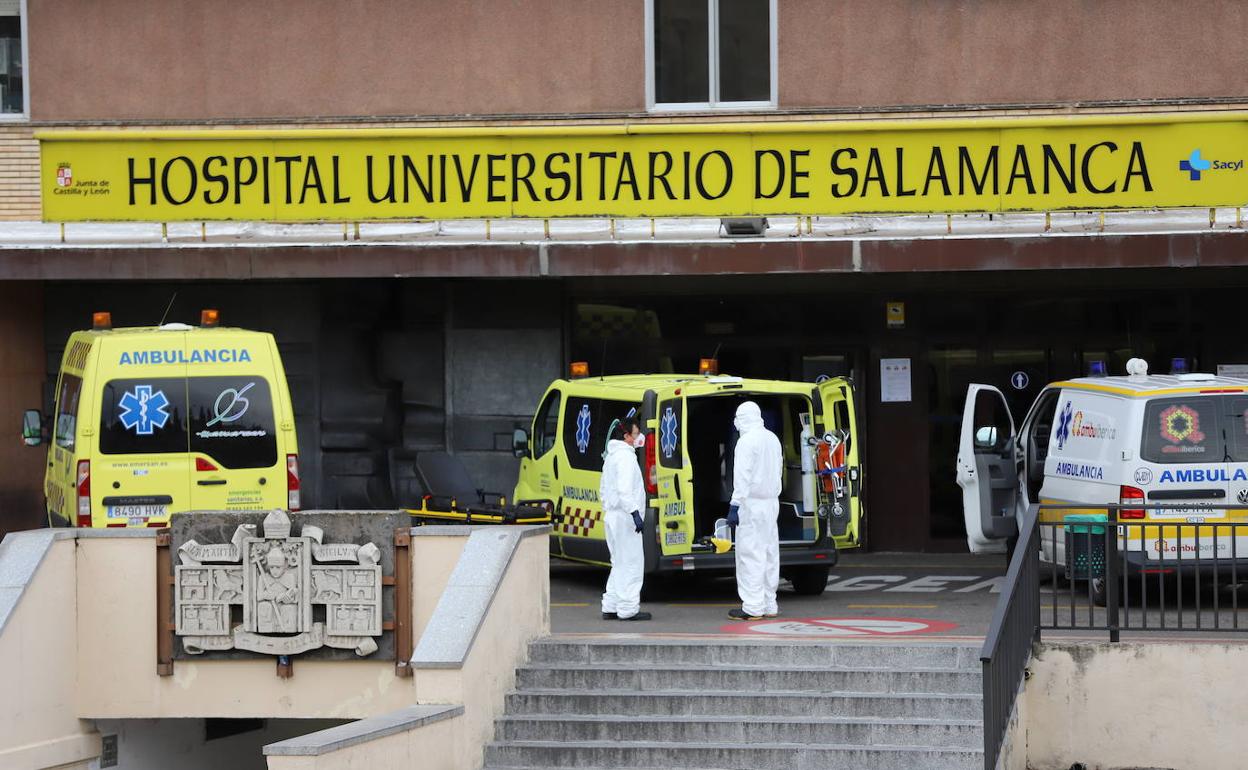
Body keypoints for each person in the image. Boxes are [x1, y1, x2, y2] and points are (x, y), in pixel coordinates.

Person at [726, 401, 783, 621]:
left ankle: (752, 606)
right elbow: (778, 470)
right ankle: (769, 603)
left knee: (750, 554)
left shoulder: (746, 442)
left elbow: (742, 476)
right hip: (771, 503)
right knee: (769, 553)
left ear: (742, 418)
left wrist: (735, 504)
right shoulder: (772, 439)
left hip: (751, 504)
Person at [599, 415, 651, 621]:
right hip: (625, 517)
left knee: (618, 562)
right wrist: (635, 513)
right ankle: (628, 609)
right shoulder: (626, 458)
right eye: (636, 434)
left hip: (613, 516)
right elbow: (625, 490)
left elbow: (604, 489)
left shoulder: (611, 457)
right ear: (626, 436)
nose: (639, 438)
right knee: (631, 563)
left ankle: (611, 605)